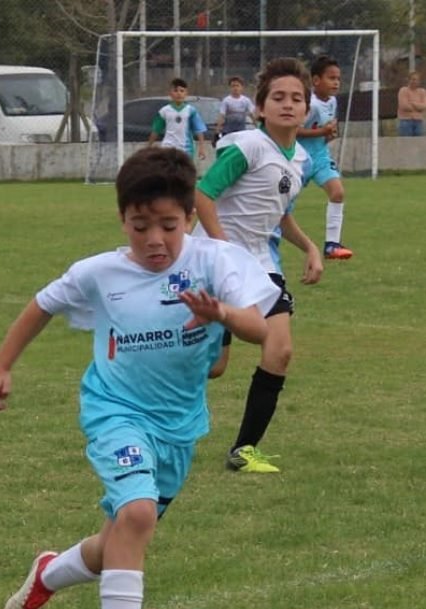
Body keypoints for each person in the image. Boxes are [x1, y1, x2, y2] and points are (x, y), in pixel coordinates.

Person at [0, 147, 279, 609]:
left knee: (119, 538)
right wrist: (1, 366)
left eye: (168, 225)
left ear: (189, 217)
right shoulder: (100, 272)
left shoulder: (218, 262)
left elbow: (262, 330)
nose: (155, 240)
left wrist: (222, 316)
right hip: (114, 410)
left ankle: (48, 573)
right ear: (123, 220)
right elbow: (41, 305)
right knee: (137, 515)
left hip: (179, 427)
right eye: (140, 227)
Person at [194, 57, 324, 475]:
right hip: (218, 261)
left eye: (297, 98)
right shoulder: (248, 145)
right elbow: (203, 195)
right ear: (260, 107)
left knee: (280, 349)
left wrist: (309, 247)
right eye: (278, 97)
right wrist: (222, 249)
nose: (288, 105)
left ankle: (243, 450)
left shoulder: (300, 158)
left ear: (307, 109)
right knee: (213, 369)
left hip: (259, 265)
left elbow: (277, 213)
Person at [296, 55, 353, 260]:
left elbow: (324, 131)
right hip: (298, 158)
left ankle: (332, 245)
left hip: (319, 156)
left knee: (337, 192)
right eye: (331, 78)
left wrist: (328, 135)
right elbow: (294, 131)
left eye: (338, 78)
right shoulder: (308, 104)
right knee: (282, 203)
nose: (336, 82)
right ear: (316, 80)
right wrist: (321, 132)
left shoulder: (332, 102)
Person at [147, 77, 207, 161]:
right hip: (168, 147)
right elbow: (156, 130)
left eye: (182, 91)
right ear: (170, 93)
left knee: (184, 172)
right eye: (175, 91)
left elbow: (199, 130)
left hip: (185, 149)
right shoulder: (164, 111)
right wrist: (148, 147)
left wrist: (202, 148)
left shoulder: (191, 111)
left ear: (186, 93)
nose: (179, 93)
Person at [397, 71, 426, 137]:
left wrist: (412, 103)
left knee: (418, 145)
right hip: (405, 121)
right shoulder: (403, 90)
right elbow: (404, 106)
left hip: (419, 121)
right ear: (408, 80)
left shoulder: (423, 92)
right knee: (406, 144)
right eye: (413, 79)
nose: (414, 81)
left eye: (416, 80)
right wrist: (418, 107)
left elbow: (424, 106)